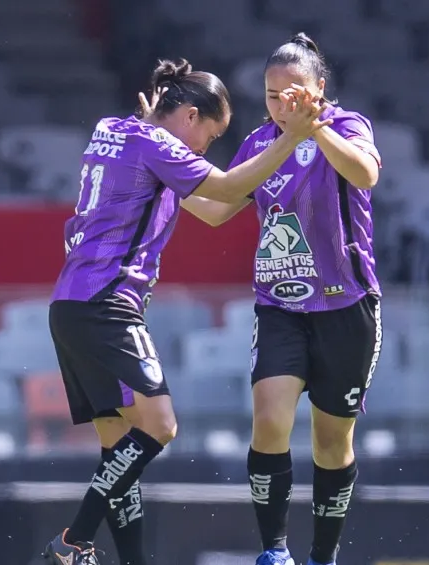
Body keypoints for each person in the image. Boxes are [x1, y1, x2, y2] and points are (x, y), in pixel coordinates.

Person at [41, 57, 331, 565]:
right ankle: (72, 543)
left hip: (70, 306)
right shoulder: (157, 145)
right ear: (190, 116)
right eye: (209, 136)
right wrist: (290, 141)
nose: (204, 150)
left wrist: (264, 176)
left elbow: (215, 207)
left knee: (118, 452)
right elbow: (220, 188)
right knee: (160, 425)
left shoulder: (113, 129)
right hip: (108, 303)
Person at [181, 33, 383, 565]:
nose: (282, 104)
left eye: (293, 93)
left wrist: (312, 130)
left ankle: (323, 555)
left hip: (346, 307)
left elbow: (366, 175)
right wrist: (167, 180)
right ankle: (274, 551)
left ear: (318, 89)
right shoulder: (259, 143)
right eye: (272, 96)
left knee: (330, 443)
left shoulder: (347, 127)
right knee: (270, 420)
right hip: (280, 307)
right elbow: (220, 207)